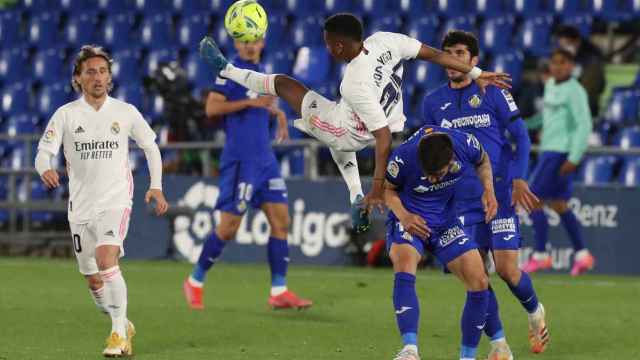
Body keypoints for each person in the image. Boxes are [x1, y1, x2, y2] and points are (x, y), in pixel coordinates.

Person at [198, 13, 511, 233]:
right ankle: (354, 196)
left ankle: (226, 70)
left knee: (284, 84)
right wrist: (476, 72)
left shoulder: (354, 82)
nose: (325, 48)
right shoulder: (386, 40)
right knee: (335, 114)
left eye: (327, 43)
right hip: (385, 119)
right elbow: (434, 55)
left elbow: (383, 139)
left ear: (337, 47)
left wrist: (377, 190)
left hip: (357, 132)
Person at [35, 45, 169, 357]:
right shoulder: (66, 115)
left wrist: (157, 186)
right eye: (90, 72)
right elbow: (43, 153)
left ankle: (118, 336)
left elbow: (150, 146)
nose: (98, 77)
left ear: (110, 78)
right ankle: (121, 321)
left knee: (107, 258)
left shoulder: (125, 112)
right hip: (80, 208)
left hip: (116, 201)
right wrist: (45, 168)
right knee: (94, 281)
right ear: (77, 79)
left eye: (103, 71)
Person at [422, 30, 549, 355]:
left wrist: (520, 179)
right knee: (475, 277)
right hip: (460, 200)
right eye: (448, 53)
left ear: (474, 60)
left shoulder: (492, 91)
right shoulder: (433, 102)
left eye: (460, 53)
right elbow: (428, 152)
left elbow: (521, 136)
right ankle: (500, 344)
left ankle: (535, 312)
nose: (453, 59)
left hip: (500, 195)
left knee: (507, 270)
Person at [182, 36, 312, 310]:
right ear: (237, 45)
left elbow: (261, 107)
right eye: (244, 42)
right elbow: (212, 108)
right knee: (229, 227)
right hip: (241, 160)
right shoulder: (229, 71)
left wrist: (276, 115)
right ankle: (195, 281)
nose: (250, 46)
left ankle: (279, 290)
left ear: (263, 42)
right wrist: (248, 104)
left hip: (265, 160)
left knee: (281, 220)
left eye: (254, 41)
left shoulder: (262, 71)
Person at [384, 126, 503, 360]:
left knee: (479, 281)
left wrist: (488, 190)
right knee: (405, 262)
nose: (431, 179)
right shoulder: (404, 156)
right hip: (411, 220)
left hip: (445, 224)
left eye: (437, 174)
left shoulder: (465, 144)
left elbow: (483, 161)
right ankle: (409, 351)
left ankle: (467, 357)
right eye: (428, 173)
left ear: (451, 160)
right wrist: (404, 216)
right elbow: (387, 191)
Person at [523, 48, 595, 276]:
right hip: (548, 151)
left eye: (563, 63)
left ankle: (541, 255)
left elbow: (584, 125)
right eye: (554, 62)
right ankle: (583, 255)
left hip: (560, 153)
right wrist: (520, 126)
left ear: (571, 66)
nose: (558, 66)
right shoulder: (552, 85)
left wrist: (574, 157)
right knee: (559, 205)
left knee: (531, 200)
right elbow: (545, 118)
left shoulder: (576, 91)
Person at [554, 25, 605, 116]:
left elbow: (589, 91)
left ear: (577, 42)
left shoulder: (592, 60)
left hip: (585, 109)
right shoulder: (561, 58)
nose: (564, 48)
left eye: (567, 44)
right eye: (562, 46)